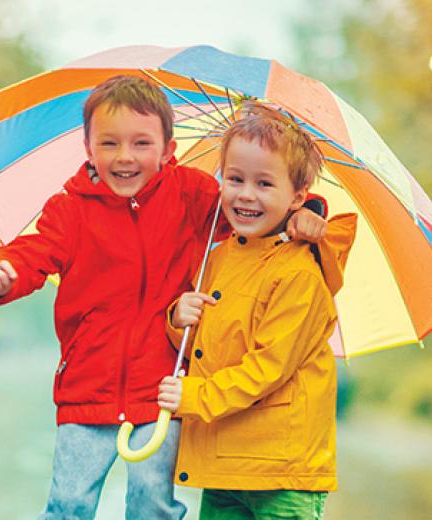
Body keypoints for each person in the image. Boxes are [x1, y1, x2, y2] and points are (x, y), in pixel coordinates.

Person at [0, 77, 330, 520]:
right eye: (109, 143)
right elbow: (33, 253)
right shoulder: (70, 210)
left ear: (166, 148)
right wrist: (0, 275)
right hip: (88, 386)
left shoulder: (194, 195)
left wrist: (309, 211)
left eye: (141, 143)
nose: (125, 156)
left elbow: (253, 210)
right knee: (69, 504)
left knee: (153, 504)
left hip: (163, 389)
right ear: (88, 149)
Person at [159, 103, 357, 519]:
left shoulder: (300, 271)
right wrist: (179, 319)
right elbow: (206, 346)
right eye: (235, 179)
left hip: (279, 466)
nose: (245, 194)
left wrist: (195, 395)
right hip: (223, 460)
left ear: (298, 197)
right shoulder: (219, 257)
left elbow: (269, 367)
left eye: (264, 183)